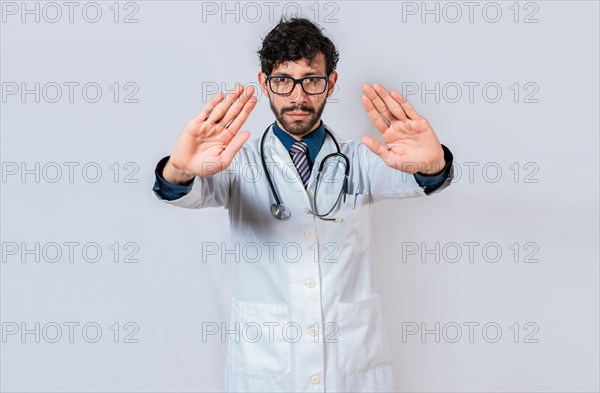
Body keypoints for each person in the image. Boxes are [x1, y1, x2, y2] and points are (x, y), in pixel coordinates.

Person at [152, 17, 454, 393]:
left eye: (312, 80)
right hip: (266, 369)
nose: (298, 97)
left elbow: (417, 179)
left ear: (331, 83)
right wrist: (178, 170)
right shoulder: (236, 163)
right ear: (265, 84)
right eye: (283, 80)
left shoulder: (359, 161)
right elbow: (183, 189)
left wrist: (433, 165)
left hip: (351, 369)